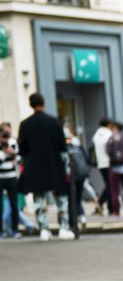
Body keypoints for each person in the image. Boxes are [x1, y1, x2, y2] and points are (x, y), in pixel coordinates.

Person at [17, 93, 74, 240]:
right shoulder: (54, 122)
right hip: (54, 164)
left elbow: (22, 149)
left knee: (39, 198)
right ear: (43, 103)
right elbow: (63, 147)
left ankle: (43, 229)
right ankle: (63, 227)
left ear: (31, 105)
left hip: (35, 166)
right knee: (61, 197)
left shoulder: (25, 124)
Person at [0, 122, 21, 238]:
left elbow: (18, 158)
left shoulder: (13, 142)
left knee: (14, 204)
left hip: (12, 176)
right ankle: (1, 231)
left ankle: (15, 230)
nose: (6, 133)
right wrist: (4, 153)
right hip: (0, 178)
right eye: (4, 131)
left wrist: (12, 153)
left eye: (8, 131)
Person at [91, 117, 113, 215]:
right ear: (108, 125)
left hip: (100, 164)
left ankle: (109, 207)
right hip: (109, 162)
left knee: (109, 185)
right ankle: (101, 203)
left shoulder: (96, 135)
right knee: (110, 186)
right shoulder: (109, 134)